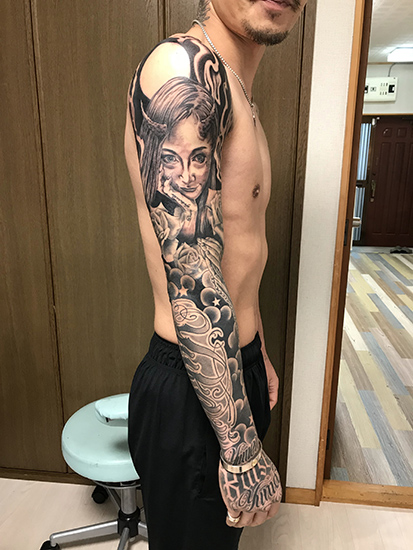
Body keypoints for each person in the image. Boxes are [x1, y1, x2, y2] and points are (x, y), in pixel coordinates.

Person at [124, 1, 308, 548]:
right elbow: (191, 274)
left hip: (229, 369)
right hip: (193, 384)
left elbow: (238, 256)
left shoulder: (236, 90)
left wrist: (257, 351)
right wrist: (241, 446)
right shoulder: (182, 68)